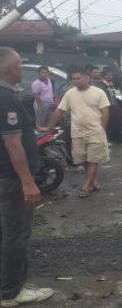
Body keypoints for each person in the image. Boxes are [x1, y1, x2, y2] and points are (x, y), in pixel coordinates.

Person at [0, 47, 55, 306]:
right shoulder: (6, 98)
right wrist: (27, 181)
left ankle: (9, 284)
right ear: (10, 69)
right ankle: (11, 292)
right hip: (12, 179)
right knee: (16, 233)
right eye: (20, 64)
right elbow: (13, 143)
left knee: (8, 231)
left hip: (6, 177)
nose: (22, 68)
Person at [40, 68, 110, 198]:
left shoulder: (98, 92)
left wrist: (102, 129)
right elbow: (59, 111)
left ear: (87, 78)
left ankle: (85, 186)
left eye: (79, 78)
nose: (76, 81)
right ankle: (93, 181)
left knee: (93, 159)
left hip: (95, 131)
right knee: (83, 158)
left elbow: (105, 111)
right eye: (74, 79)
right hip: (77, 131)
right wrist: (49, 126)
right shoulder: (70, 93)